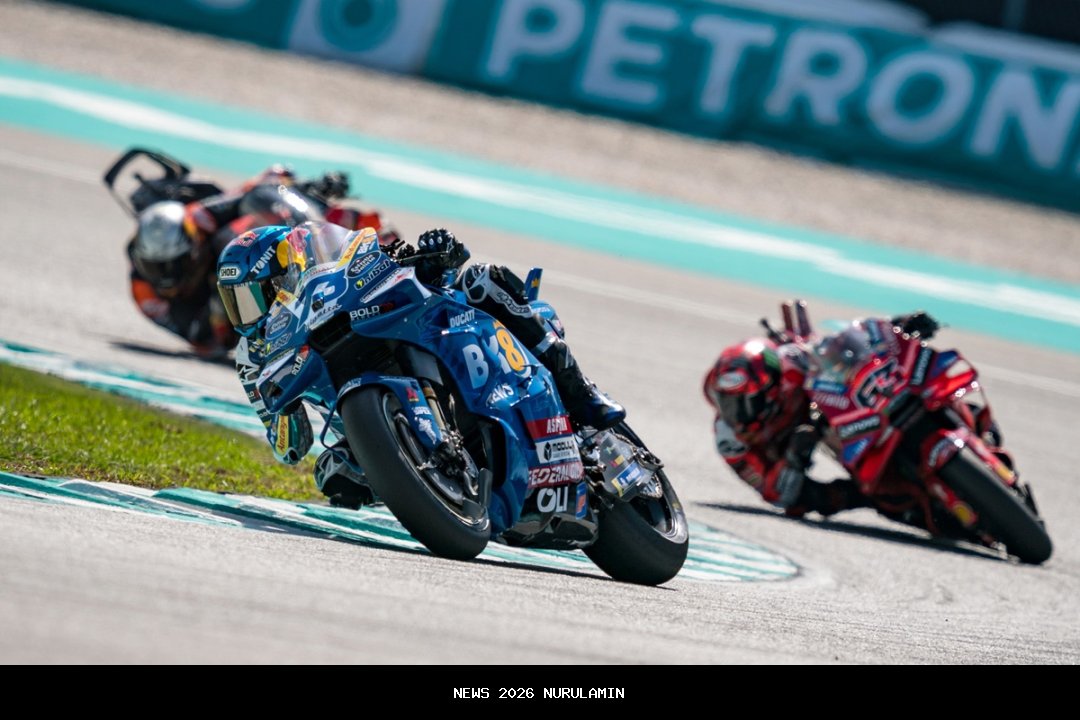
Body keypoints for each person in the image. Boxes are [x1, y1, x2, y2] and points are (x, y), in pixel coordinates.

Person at [216, 223, 626, 509]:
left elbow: (396, 265)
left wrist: (433, 255)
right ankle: (427, 487)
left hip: (421, 341)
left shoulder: (326, 283)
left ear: (285, 277)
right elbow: (290, 448)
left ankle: (581, 390)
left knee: (482, 279)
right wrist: (283, 407)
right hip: (365, 432)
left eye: (253, 297)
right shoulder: (253, 360)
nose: (247, 315)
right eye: (236, 302)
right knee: (333, 473)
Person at [702, 310, 971, 522]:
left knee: (933, 392)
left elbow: (844, 348)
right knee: (876, 497)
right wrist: (793, 458)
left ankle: (973, 426)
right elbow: (774, 494)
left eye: (745, 403)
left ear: (773, 388)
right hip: (802, 453)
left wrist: (898, 328)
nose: (735, 414)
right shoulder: (730, 440)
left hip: (840, 412)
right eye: (726, 403)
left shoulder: (793, 363)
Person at [126, 164, 396, 360]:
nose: (164, 274)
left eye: (173, 264)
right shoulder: (145, 292)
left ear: (192, 245)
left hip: (238, 264)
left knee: (253, 220)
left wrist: (302, 190)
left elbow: (254, 189)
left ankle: (375, 251)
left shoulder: (197, 219)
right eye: (153, 267)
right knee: (229, 278)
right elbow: (205, 339)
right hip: (228, 315)